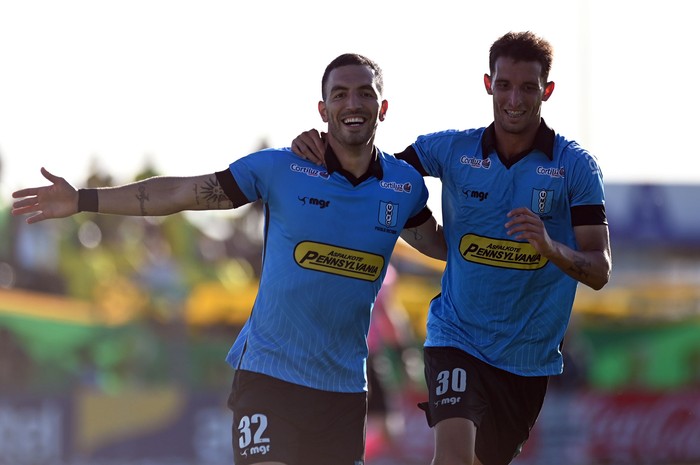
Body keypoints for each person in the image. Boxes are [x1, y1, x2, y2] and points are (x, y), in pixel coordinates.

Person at [11, 53, 447, 465]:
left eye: (364, 93)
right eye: (340, 94)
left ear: (383, 106)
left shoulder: (404, 186)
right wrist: (84, 199)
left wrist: (511, 235)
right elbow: (181, 193)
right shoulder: (282, 169)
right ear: (322, 108)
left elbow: (443, 247)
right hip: (269, 379)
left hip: (344, 390)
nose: (353, 103)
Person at [290, 32, 612, 465]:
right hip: (455, 338)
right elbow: (374, 174)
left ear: (547, 91)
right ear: (488, 84)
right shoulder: (452, 150)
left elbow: (599, 270)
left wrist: (550, 247)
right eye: (504, 85)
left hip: (527, 362)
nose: (514, 99)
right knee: (454, 458)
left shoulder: (574, 167)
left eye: (528, 88)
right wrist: (320, 147)